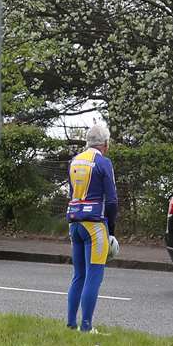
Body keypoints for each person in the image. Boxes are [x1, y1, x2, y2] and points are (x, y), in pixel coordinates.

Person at [65, 121, 118, 333]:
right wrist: (111, 230)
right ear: (105, 144)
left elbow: (71, 194)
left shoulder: (75, 161)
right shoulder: (103, 163)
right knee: (94, 276)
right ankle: (86, 327)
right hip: (95, 226)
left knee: (78, 275)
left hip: (74, 224)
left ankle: (70, 323)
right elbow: (112, 201)